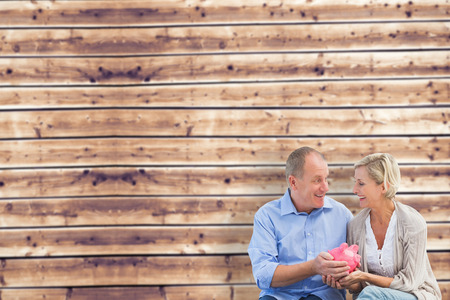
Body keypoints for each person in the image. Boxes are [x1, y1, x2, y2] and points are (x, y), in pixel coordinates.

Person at [323, 153, 442, 300]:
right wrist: (345, 281)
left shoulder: (412, 223)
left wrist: (364, 276)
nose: (354, 189)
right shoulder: (356, 226)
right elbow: (359, 287)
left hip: (416, 295)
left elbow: (409, 283)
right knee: (369, 293)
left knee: (370, 293)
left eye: (361, 183)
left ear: (384, 186)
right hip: (374, 297)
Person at [248, 146, 354, 300]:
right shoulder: (267, 216)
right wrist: (313, 267)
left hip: (324, 295)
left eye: (326, 178)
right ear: (293, 182)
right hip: (279, 296)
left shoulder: (342, 214)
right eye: (317, 180)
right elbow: (264, 275)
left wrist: (345, 277)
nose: (326, 187)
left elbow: (358, 264)